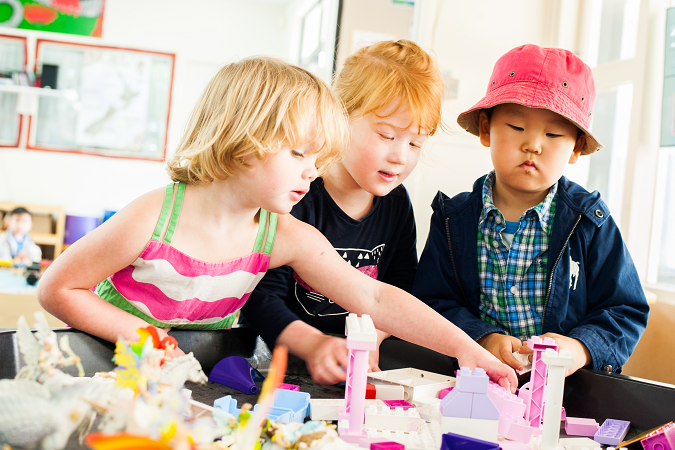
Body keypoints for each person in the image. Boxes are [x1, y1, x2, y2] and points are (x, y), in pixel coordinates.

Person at [37, 56, 517, 389]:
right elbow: (57, 289)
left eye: (319, 156)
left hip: (186, 381)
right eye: (299, 153)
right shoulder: (152, 218)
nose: (313, 170)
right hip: (107, 373)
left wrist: (467, 349)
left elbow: (373, 296)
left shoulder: (279, 235)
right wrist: (146, 341)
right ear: (243, 140)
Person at [412, 44, 649, 377]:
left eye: (552, 133)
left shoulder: (590, 221)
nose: (533, 145)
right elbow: (431, 303)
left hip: (568, 395)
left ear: (576, 147)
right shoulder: (454, 220)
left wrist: (580, 348)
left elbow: (625, 310)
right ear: (485, 128)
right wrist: (481, 337)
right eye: (517, 127)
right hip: (475, 385)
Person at [241, 40, 444, 385]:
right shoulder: (297, 192)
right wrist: (315, 345)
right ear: (341, 117)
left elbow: (400, 284)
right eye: (387, 135)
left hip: (358, 361)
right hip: (281, 360)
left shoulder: (396, 203)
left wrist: (374, 338)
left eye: (415, 143)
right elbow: (259, 298)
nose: (400, 156)